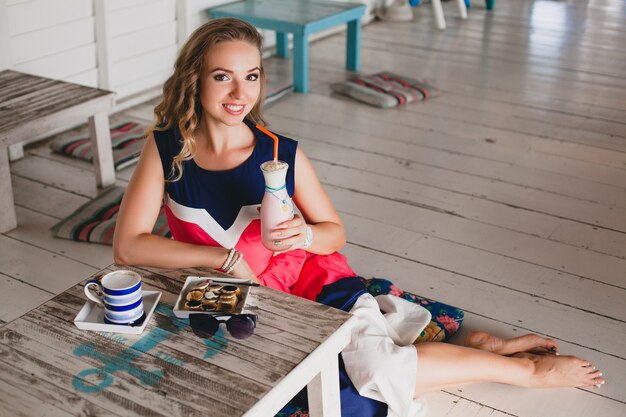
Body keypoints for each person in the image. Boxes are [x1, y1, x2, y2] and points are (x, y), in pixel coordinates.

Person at [113, 17, 605, 417]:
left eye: (252, 75)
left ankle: (526, 372)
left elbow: (334, 235)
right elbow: (129, 246)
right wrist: (223, 258)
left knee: (371, 373)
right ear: (194, 78)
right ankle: (477, 349)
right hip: (235, 304)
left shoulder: (282, 153)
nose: (240, 91)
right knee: (314, 395)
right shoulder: (165, 151)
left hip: (313, 287)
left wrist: (306, 233)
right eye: (223, 75)